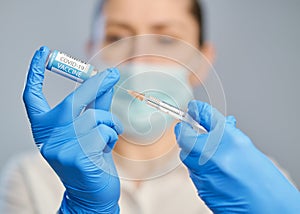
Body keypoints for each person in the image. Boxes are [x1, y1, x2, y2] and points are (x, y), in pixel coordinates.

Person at [1, 0, 299, 213]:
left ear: (202, 60)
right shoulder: (33, 178)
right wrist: (82, 209)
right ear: (92, 51)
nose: (140, 55)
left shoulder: (251, 182)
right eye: (117, 37)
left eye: (166, 39)